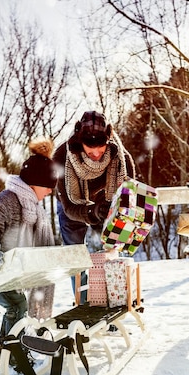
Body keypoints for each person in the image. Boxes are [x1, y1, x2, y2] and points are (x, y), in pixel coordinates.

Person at [0, 137, 57, 370]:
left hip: (10, 264)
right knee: (17, 305)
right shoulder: (6, 201)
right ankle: (14, 356)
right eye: (48, 185)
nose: (50, 191)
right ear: (34, 183)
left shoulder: (35, 210)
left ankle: (2, 356)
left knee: (15, 307)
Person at [53, 110, 135, 300]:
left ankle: (114, 299)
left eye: (101, 148)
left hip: (106, 204)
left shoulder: (121, 158)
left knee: (111, 250)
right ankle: (83, 302)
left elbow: (128, 196)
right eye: (90, 150)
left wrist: (113, 212)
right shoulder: (61, 157)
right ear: (79, 143)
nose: (97, 154)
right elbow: (69, 207)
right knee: (76, 254)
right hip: (72, 205)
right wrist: (91, 210)